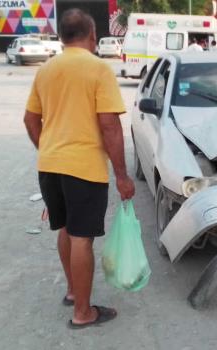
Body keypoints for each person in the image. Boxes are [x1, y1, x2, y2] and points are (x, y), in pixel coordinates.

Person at [23, 8, 135, 329]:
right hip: (83, 169)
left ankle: (73, 292)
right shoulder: (98, 69)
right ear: (91, 35)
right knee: (82, 237)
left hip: (50, 167)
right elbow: (110, 126)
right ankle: (83, 312)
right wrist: (123, 176)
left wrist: (47, 149)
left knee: (65, 230)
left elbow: (30, 119)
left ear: (60, 38)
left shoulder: (45, 70)